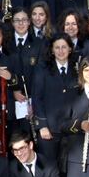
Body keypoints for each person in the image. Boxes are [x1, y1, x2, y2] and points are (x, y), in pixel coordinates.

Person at [32, 34, 78, 166]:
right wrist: (42, 126)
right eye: (57, 47)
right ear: (52, 50)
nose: (61, 51)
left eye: (64, 47)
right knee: (49, 167)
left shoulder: (77, 68)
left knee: (69, 168)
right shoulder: (43, 68)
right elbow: (37, 98)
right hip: (49, 128)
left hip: (71, 128)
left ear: (70, 49)